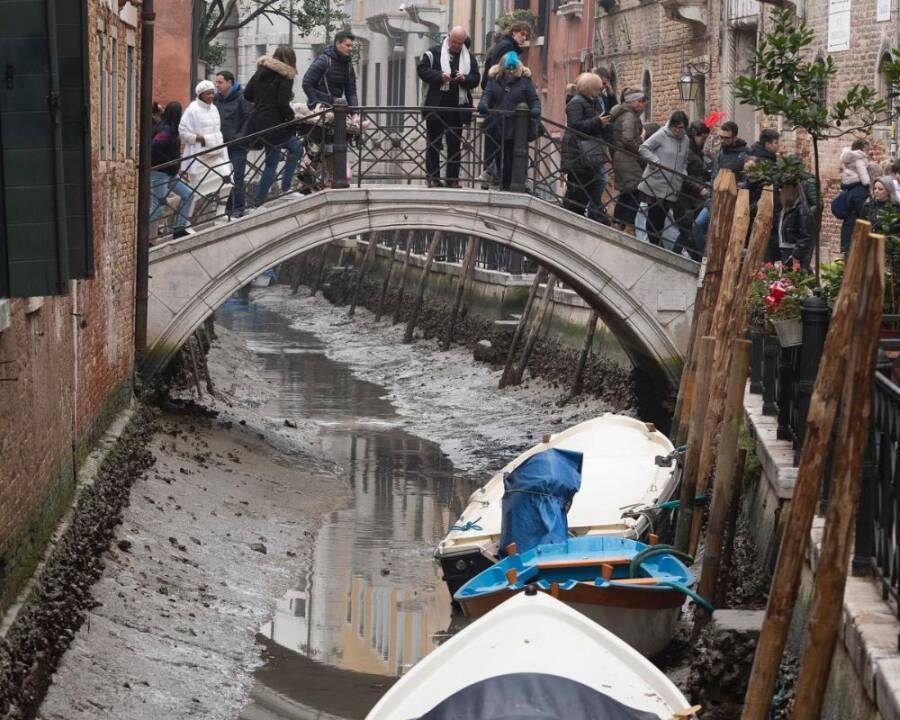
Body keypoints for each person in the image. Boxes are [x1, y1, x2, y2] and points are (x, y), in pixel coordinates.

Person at [417, 27, 481, 188]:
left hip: (457, 108)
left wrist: (464, 78)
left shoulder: (469, 58)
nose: (457, 46)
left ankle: (452, 179)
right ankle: (433, 178)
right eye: (454, 42)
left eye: (460, 43)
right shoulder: (433, 53)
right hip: (436, 106)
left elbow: (475, 79)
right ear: (448, 37)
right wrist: (439, 76)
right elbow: (422, 70)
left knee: (454, 144)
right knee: (434, 143)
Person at [244, 46, 303, 205]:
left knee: (273, 160)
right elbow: (283, 103)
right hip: (275, 124)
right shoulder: (286, 75)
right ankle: (284, 190)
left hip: (259, 122)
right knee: (296, 148)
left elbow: (247, 94)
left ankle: (260, 200)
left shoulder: (261, 71)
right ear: (290, 61)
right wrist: (293, 118)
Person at [477, 51, 541, 190]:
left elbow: (534, 100)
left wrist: (535, 110)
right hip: (497, 125)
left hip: (517, 127)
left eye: (513, 69)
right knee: (496, 153)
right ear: (502, 68)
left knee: (515, 156)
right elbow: (486, 96)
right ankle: (493, 177)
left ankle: (517, 183)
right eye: (508, 69)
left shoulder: (525, 81)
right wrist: (483, 105)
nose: (510, 72)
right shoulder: (494, 80)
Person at [479, 22, 530, 185]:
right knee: (504, 143)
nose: (524, 38)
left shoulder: (503, 45)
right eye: (522, 34)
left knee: (500, 142)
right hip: (502, 101)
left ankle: (496, 174)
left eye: (526, 35)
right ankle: (500, 176)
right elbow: (506, 69)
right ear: (514, 32)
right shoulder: (508, 48)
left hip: (499, 102)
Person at [561, 72, 611, 221]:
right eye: (598, 88)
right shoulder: (576, 103)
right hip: (577, 152)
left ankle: (594, 212)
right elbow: (575, 126)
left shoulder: (592, 102)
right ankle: (583, 214)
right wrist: (598, 122)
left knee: (596, 181)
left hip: (589, 152)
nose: (600, 91)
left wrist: (602, 124)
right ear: (591, 88)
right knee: (579, 187)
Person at [637, 110, 690, 247]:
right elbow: (643, 148)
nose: (679, 131)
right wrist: (655, 162)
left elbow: (684, 160)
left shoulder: (686, 140)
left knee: (663, 216)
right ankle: (653, 245)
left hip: (673, 185)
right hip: (656, 182)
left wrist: (683, 171)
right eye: (676, 127)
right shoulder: (661, 134)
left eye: (682, 128)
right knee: (654, 215)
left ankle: (656, 244)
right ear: (671, 125)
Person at [691, 120, 747, 249]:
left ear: (735, 137)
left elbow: (745, 179)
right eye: (721, 137)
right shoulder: (721, 151)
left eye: (726, 138)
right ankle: (703, 259)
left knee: (720, 235)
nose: (722, 141)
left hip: (729, 201)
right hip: (713, 198)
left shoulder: (744, 154)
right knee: (697, 226)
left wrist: (737, 186)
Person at [150, 101, 194, 239]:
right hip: (160, 173)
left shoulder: (171, 129)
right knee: (158, 207)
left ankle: (179, 229)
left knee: (188, 194)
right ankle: (144, 238)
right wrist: (170, 162)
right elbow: (153, 147)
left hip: (170, 173)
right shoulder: (166, 130)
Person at [214, 70, 254, 218]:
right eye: (216, 82)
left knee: (237, 176)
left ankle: (238, 208)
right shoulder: (217, 99)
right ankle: (227, 208)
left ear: (229, 83)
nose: (217, 85)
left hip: (238, 146)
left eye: (220, 82)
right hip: (221, 146)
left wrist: (240, 137)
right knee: (225, 177)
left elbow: (249, 119)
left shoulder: (242, 98)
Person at [179, 79, 231, 187]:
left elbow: (217, 130)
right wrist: (201, 139)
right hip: (199, 157)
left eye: (213, 93)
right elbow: (182, 132)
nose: (211, 96)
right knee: (197, 191)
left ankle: (222, 204)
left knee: (227, 180)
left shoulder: (214, 108)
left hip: (216, 154)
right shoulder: (192, 110)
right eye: (208, 93)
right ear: (200, 95)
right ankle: (194, 204)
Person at [609, 89, 645, 232]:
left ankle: (618, 223)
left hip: (622, 158)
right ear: (636, 102)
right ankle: (627, 225)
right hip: (627, 159)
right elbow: (627, 138)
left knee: (627, 192)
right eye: (642, 102)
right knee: (634, 191)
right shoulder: (629, 116)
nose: (643, 106)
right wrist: (641, 151)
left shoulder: (624, 114)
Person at [673, 120, 710, 259]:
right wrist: (699, 188)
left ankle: (681, 256)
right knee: (687, 230)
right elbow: (682, 174)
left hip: (692, 198)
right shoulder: (686, 150)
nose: (704, 141)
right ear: (695, 135)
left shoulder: (695, 150)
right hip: (683, 196)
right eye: (703, 138)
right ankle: (699, 258)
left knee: (688, 231)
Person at [746, 128, 781, 260]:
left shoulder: (770, 159)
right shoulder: (759, 161)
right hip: (761, 206)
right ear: (767, 144)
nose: (778, 146)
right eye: (776, 143)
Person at [302, 30, 359, 109]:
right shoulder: (324, 60)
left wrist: (355, 113)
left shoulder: (348, 66)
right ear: (338, 44)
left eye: (351, 46)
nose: (350, 48)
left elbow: (351, 93)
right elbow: (307, 83)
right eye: (347, 45)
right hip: (320, 109)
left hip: (337, 108)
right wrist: (315, 103)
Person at [839, 138, 876, 252]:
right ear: (862, 148)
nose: (869, 151)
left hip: (849, 181)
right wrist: (868, 184)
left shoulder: (849, 156)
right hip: (854, 233)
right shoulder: (859, 158)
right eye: (867, 148)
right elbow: (864, 175)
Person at [778, 181, 813, 269]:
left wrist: (796, 255)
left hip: (793, 250)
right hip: (785, 249)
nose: (781, 191)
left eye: (784, 188)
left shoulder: (802, 209)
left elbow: (806, 236)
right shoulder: (786, 207)